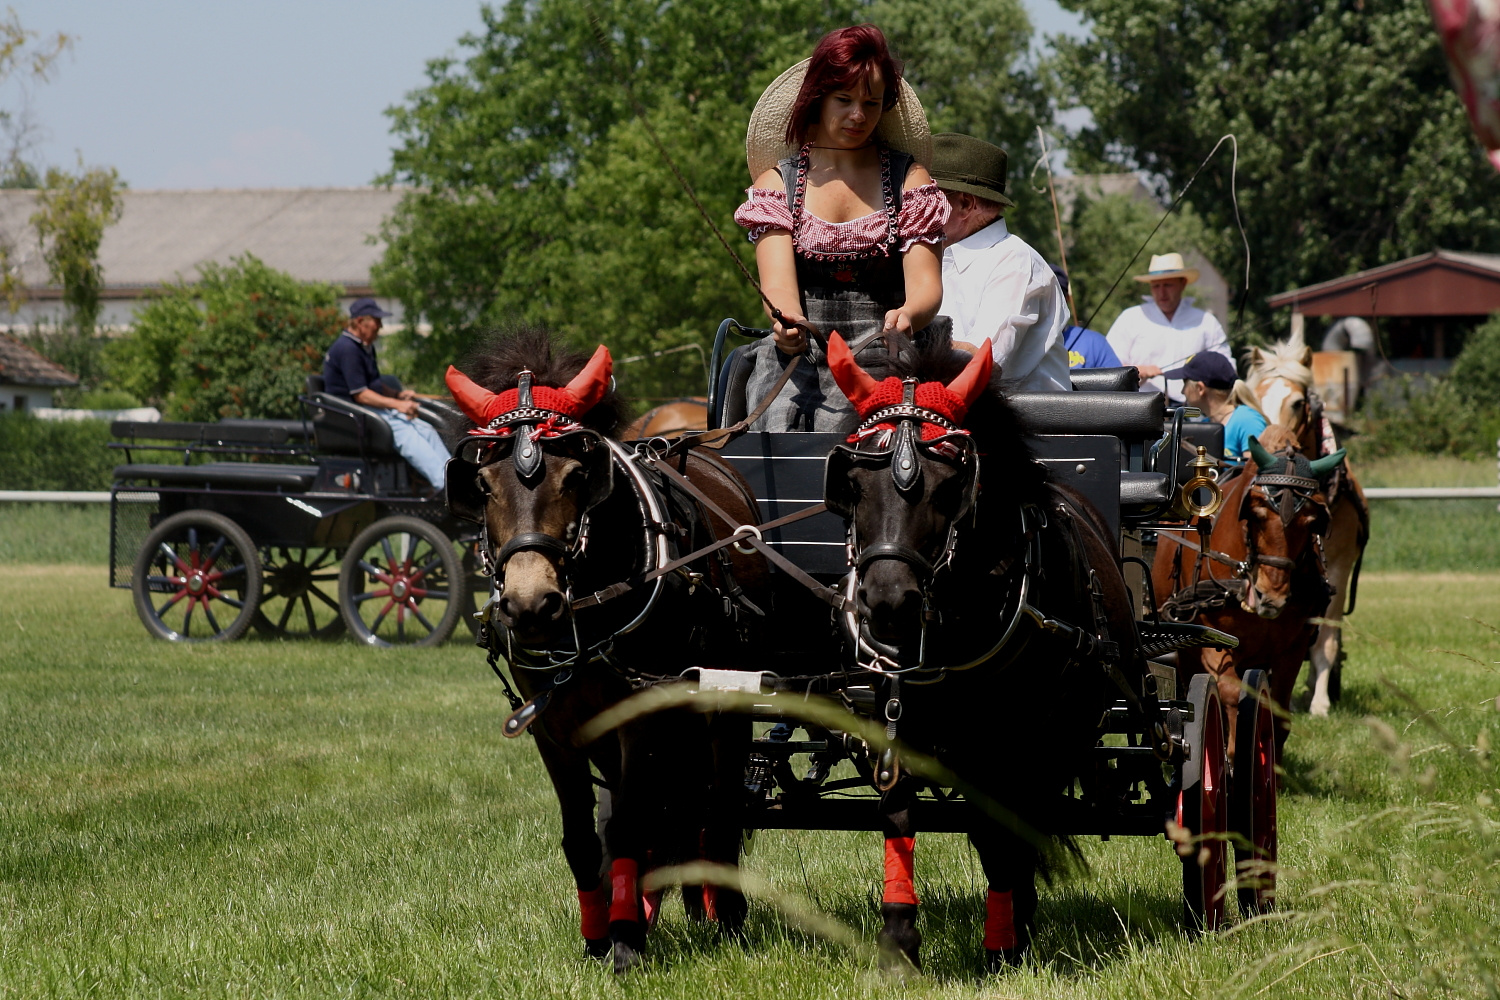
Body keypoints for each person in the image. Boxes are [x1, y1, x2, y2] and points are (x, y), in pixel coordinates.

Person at [732, 24, 950, 430]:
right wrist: (786, 321)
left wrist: (908, 315)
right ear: (818, 99)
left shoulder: (910, 180)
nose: (857, 115)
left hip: (888, 358)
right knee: (777, 432)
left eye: (871, 102)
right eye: (844, 99)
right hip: (800, 359)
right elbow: (777, 285)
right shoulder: (778, 183)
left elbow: (926, 285)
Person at [926, 134, 1070, 391]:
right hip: (961, 418)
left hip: (1024, 426)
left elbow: (980, 360)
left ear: (965, 204)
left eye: (929, 197)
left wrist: (906, 343)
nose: (914, 207)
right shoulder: (931, 258)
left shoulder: (1014, 261)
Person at [322, 298, 447, 489]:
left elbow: (374, 383)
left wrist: (398, 395)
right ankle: (443, 484)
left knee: (426, 430)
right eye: (376, 320)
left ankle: (453, 477)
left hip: (366, 409)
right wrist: (399, 405)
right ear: (359, 321)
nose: (380, 326)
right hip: (352, 415)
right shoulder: (348, 349)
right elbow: (361, 395)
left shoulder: (364, 345)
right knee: (406, 434)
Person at [1105, 252, 1231, 402]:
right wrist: (1135, 371)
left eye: (1168, 285)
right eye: (1156, 286)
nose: (1162, 292)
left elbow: (1225, 368)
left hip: (1192, 409)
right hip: (1142, 407)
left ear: (1182, 284)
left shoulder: (1206, 322)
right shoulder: (1130, 318)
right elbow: (1108, 368)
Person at [1160, 352, 1267, 465]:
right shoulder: (1206, 423)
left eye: (1185, 383)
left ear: (1200, 388)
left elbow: (1254, 473)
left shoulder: (1247, 420)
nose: (1182, 391)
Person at [1049, 264, 1121, 371]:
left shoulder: (1094, 342)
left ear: (1067, 298)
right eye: (1041, 296)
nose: (1048, 303)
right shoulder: (1020, 342)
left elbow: (1119, 383)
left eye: (1055, 296)